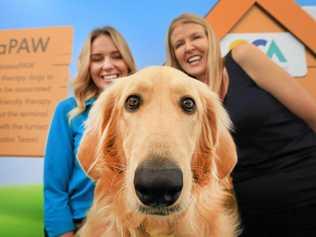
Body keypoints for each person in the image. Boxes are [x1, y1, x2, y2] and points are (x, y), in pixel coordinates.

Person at [165, 13, 316, 236]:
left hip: (306, 183)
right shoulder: (185, 105)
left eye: (196, 37)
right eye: (179, 44)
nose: (188, 47)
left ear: (211, 42)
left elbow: (311, 113)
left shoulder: (242, 57)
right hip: (254, 211)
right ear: (175, 56)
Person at [44, 26, 136, 237]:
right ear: (87, 65)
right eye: (97, 59)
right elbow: (54, 187)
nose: (107, 66)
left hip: (129, 226)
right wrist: (64, 232)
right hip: (80, 224)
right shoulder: (68, 111)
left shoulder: (146, 110)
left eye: (116, 56)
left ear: (127, 62)